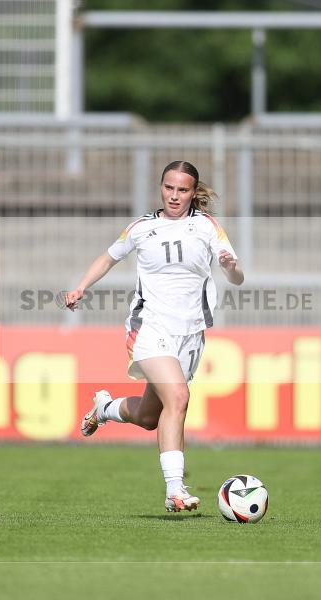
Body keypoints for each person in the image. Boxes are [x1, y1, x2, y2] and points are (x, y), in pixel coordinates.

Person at [64, 160, 244, 512]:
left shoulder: (207, 227)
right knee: (178, 397)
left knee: (149, 417)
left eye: (182, 190)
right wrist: (81, 287)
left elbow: (237, 277)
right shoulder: (141, 228)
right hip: (150, 328)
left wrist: (230, 267)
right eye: (168, 188)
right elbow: (107, 258)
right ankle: (174, 490)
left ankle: (105, 408)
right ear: (161, 187)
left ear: (194, 193)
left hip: (190, 334)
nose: (174, 196)